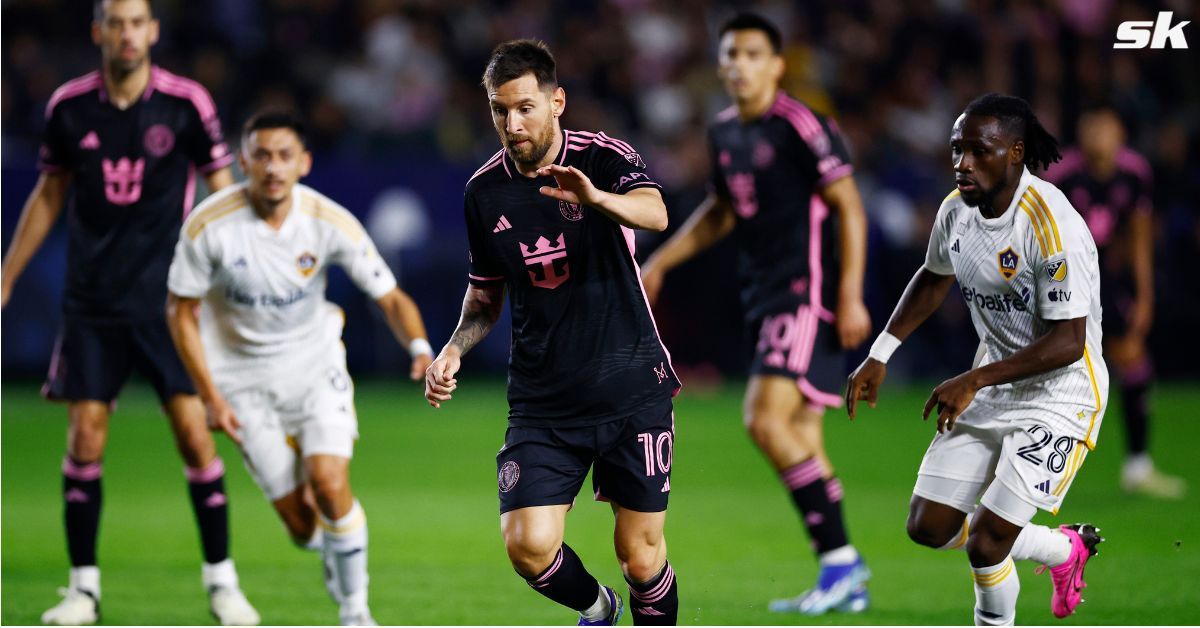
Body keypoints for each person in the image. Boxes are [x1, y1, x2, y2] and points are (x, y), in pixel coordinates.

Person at [0, 1, 258, 624]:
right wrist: (5, 280)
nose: (126, 33)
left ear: (153, 32)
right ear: (99, 32)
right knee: (85, 438)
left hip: (171, 302)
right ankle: (83, 589)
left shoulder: (186, 103)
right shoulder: (68, 107)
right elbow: (49, 193)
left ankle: (223, 584)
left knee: (196, 439)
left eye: (137, 22)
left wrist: (243, 272)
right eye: (115, 22)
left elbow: (222, 190)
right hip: (92, 302)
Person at [424, 40, 680, 625]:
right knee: (528, 545)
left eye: (524, 108)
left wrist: (595, 198)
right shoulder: (483, 193)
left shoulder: (601, 156)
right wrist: (455, 348)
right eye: (498, 110)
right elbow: (486, 295)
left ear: (556, 102)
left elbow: (656, 212)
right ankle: (598, 608)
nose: (511, 124)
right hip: (544, 399)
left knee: (639, 557)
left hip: (630, 385)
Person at [639, 13, 872, 615]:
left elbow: (848, 207)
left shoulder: (800, 125)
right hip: (762, 294)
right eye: (730, 54)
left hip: (804, 293)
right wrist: (662, 261)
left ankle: (843, 561)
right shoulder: (723, 134)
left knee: (763, 420)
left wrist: (849, 294)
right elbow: (722, 210)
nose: (738, 64)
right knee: (801, 434)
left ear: (775, 64)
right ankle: (842, 576)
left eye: (751, 54)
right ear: (720, 65)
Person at [165, 111, 434, 626]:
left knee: (331, 483)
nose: (272, 167)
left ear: (304, 163)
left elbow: (390, 296)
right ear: (243, 161)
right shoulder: (208, 226)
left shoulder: (327, 220)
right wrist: (210, 397)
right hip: (240, 382)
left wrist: (419, 346)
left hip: (314, 367)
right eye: (261, 155)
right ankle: (334, 553)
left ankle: (356, 613)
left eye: (284, 155)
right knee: (300, 525)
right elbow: (179, 311)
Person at [846, 93, 1106, 625]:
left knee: (987, 542)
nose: (962, 163)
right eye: (956, 149)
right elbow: (934, 275)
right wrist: (881, 352)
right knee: (929, 527)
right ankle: (1063, 550)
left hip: (1062, 394)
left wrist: (973, 378)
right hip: (993, 382)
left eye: (978, 151)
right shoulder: (955, 211)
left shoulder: (1051, 223)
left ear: (1015, 152)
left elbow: (1067, 342)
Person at [1043, 107, 1185, 499]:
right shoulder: (1063, 176)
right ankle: (1041, 461)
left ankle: (1138, 467)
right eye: (1092, 126)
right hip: (1067, 278)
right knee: (1059, 368)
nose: (1099, 135)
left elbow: (1140, 237)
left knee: (1134, 360)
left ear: (1120, 132)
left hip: (1110, 277)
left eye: (1107, 127)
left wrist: (1145, 294)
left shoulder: (1135, 173)